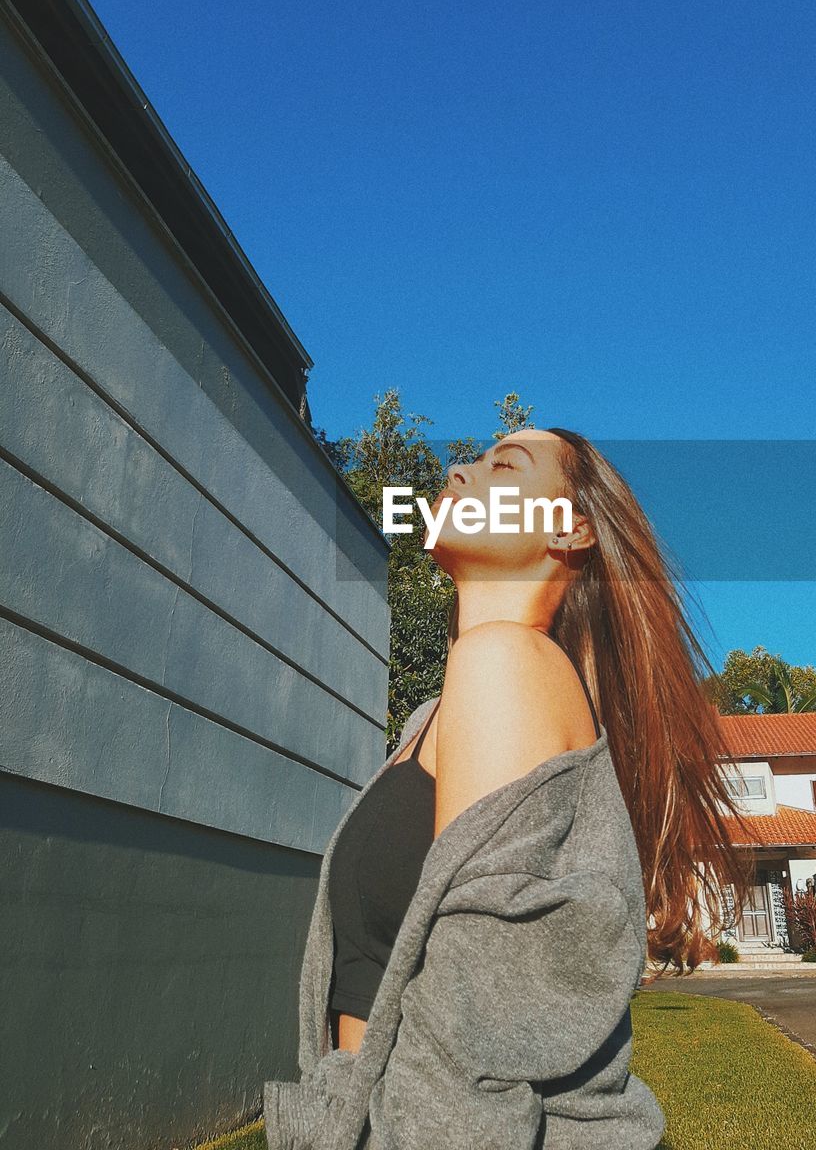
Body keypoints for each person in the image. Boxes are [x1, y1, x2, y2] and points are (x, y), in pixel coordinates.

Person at [263, 427, 753, 1149]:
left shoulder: (507, 664)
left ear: (573, 529)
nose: (459, 470)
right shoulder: (432, 719)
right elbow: (374, 994)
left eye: (507, 465)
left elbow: (469, 1040)